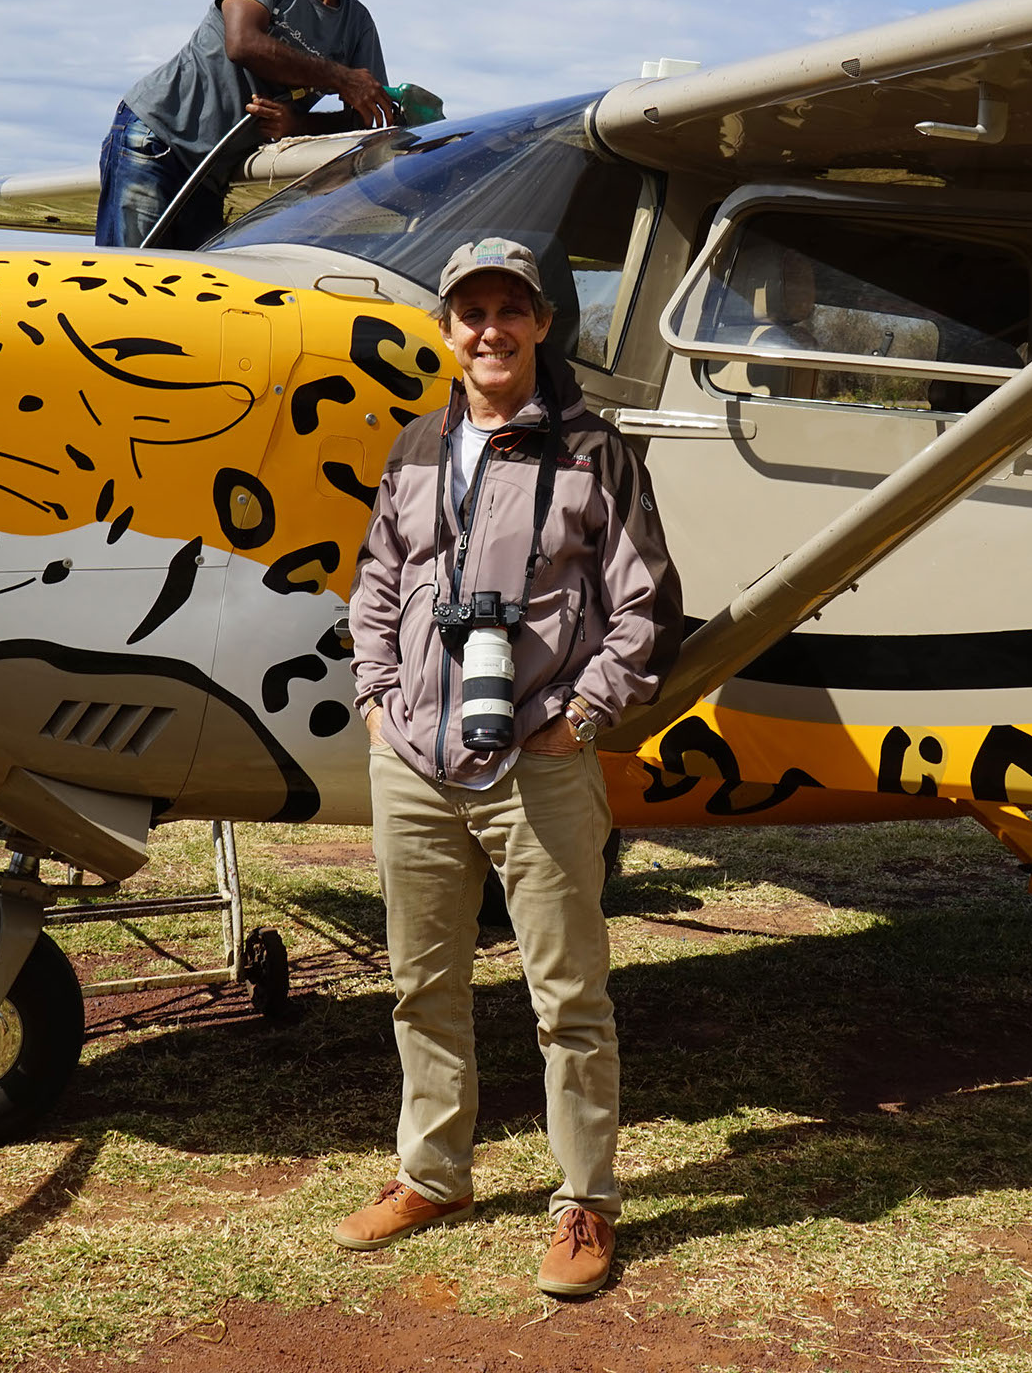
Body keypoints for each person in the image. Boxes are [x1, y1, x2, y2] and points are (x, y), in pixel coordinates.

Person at [338, 237, 682, 1298]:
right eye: (469, 313)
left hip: (537, 759)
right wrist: (377, 696)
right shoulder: (413, 449)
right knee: (418, 983)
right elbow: (377, 583)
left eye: (509, 311)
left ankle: (584, 1202)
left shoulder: (593, 452)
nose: (489, 330)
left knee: (566, 995)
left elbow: (649, 607)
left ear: (539, 325)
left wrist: (583, 713)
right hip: (414, 757)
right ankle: (432, 1174)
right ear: (446, 331)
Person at [94, 0, 395, 251]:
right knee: (129, 287)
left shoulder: (357, 25)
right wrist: (341, 78)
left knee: (188, 295)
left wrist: (297, 124)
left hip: (212, 174)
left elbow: (369, 122)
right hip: (157, 138)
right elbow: (244, 43)